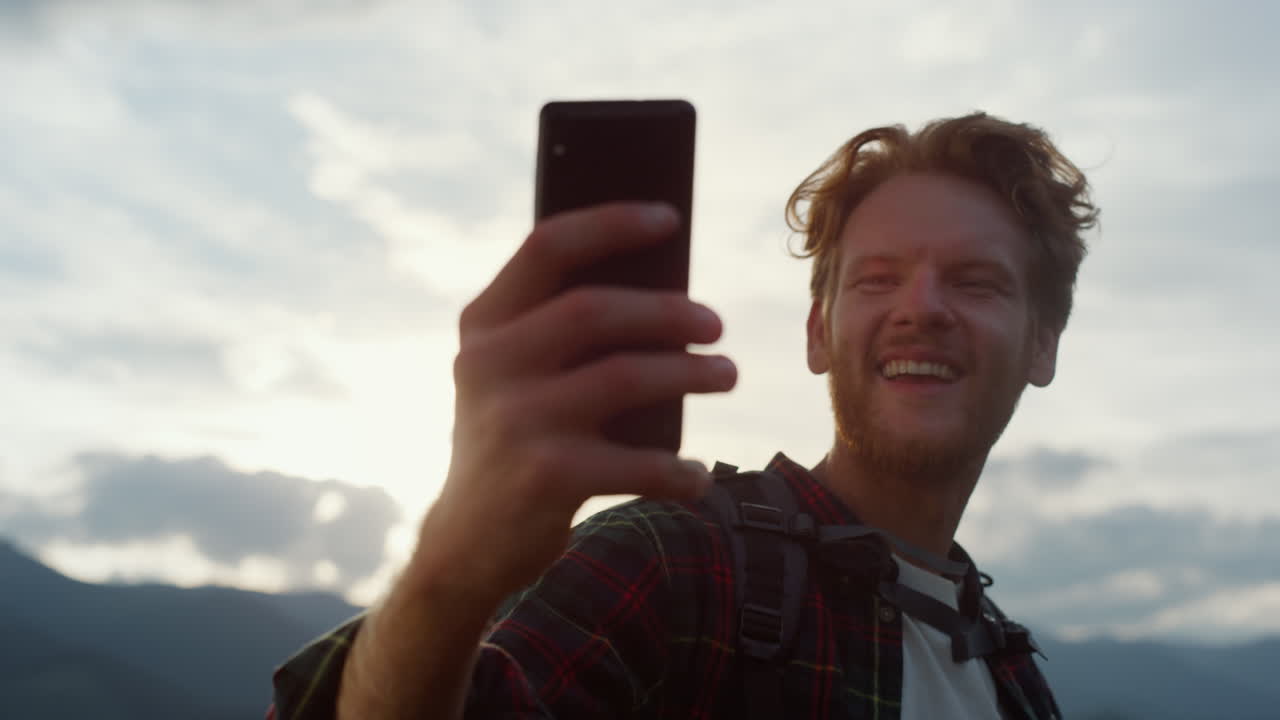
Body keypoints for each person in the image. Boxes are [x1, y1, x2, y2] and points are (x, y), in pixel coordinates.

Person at [269, 111, 1098, 719]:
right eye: (878, 278)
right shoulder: (675, 564)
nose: (921, 307)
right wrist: (446, 581)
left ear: (1043, 347)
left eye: (976, 282)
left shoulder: (1020, 684)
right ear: (819, 333)